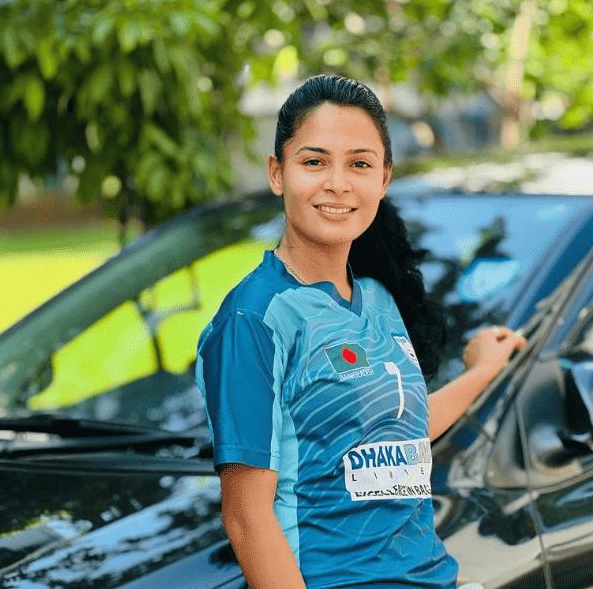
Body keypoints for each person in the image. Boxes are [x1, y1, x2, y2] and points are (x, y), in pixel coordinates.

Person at [196, 74, 526, 589]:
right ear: (277, 173)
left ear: (384, 179)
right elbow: (247, 516)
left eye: (359, 164)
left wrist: (482, 370)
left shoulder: (376, 298)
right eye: (314, 161)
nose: (338, 183)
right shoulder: (255, 319)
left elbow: (397, 430)